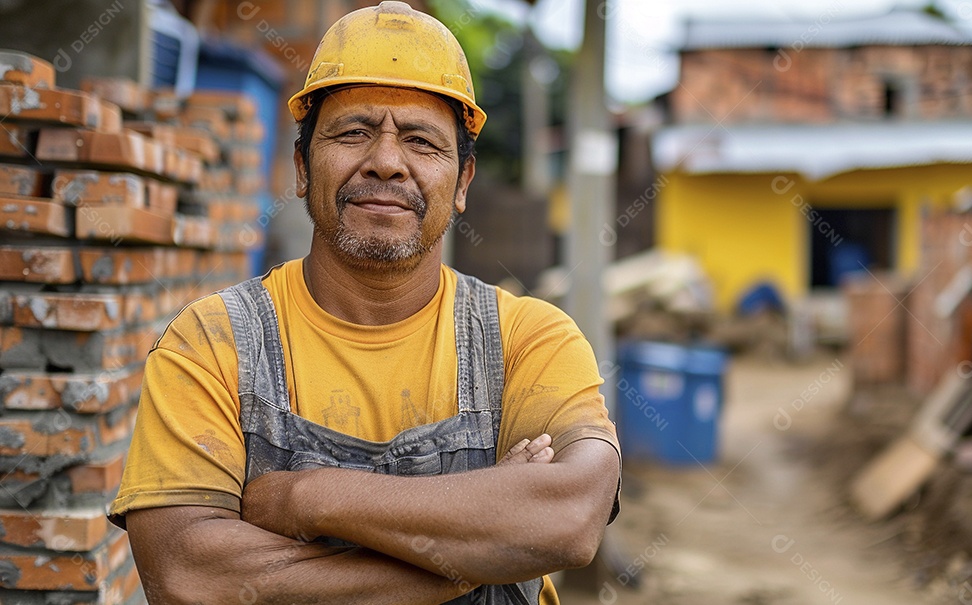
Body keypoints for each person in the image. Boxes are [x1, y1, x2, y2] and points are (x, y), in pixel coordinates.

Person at [108, 2, 622, 604]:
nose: (384, 161)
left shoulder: (529, 338)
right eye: (352, 132)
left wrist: (305, 498)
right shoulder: (212, 344)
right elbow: (189, 577)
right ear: (302, 167)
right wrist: (480, 553)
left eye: (421, 141)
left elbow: (570, 517)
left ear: (461, 183)